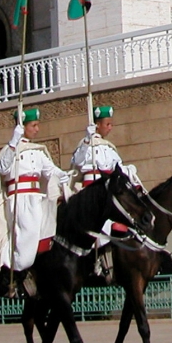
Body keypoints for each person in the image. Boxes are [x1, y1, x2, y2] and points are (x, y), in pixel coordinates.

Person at [0, 108, 69, 297]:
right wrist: (12, 142)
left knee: (48, 232)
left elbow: (51, 170)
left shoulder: (37, 151)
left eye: (37, 125)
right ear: (23, 126)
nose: (37, 129)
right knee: (27, 239)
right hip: (19, 201)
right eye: (33, 125)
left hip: (36, 199)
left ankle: (35, 274)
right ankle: (9, 269)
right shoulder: (10, 150)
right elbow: (3, 169)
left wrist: (64, 175)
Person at [69, 104, 141, 279]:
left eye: (111, 124)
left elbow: (118, 169)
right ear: (98, 125)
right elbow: (76, 164)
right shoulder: (86, 145)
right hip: (89, 194)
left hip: (107, 194)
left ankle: (109, 260)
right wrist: (87, 140)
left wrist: (131, 174)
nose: (110, 127)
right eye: (107, 124)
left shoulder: (109, 148)